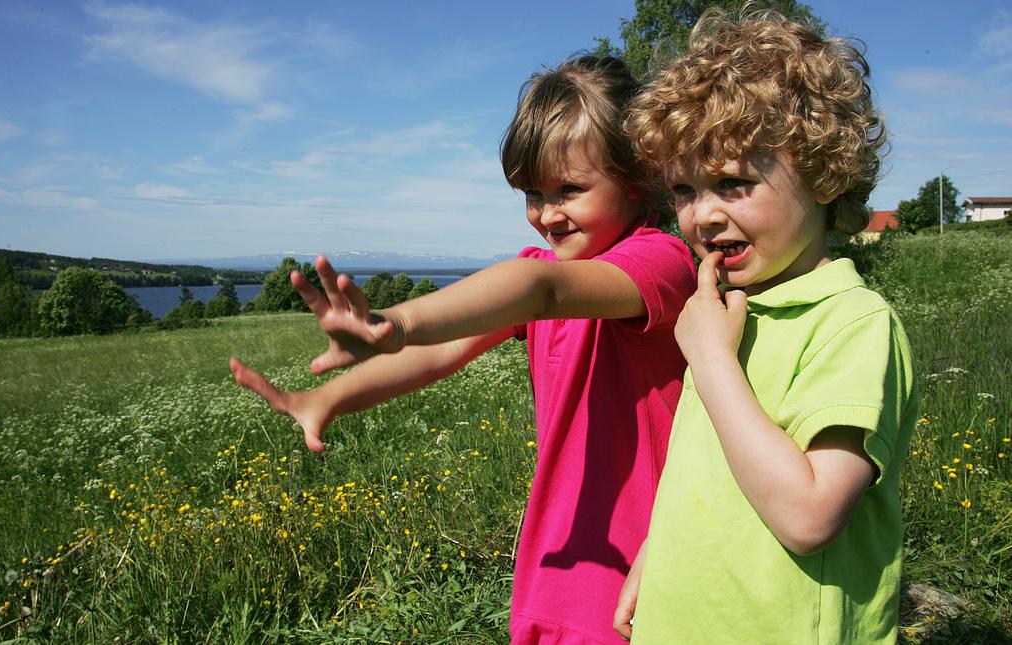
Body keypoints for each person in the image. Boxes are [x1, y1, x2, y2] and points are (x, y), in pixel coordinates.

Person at [230, 55, 697, 644]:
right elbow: (438, 353)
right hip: (556, 561)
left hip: (641, 569)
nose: (547, 214)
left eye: (570, 190)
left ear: (636, 179)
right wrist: (330, 398)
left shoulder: (659, 262)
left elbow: (538, 291)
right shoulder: (542, 278)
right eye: (532, 193)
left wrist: (395, 321)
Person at [611, 8, 918, 643]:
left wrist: (712, 361)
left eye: (732, 182)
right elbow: (707, 472)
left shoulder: (852, 323)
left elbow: (810, 516)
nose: (703, 215)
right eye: (685, 190)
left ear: (822, 172)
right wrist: (656, 557)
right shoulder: (723, 309)